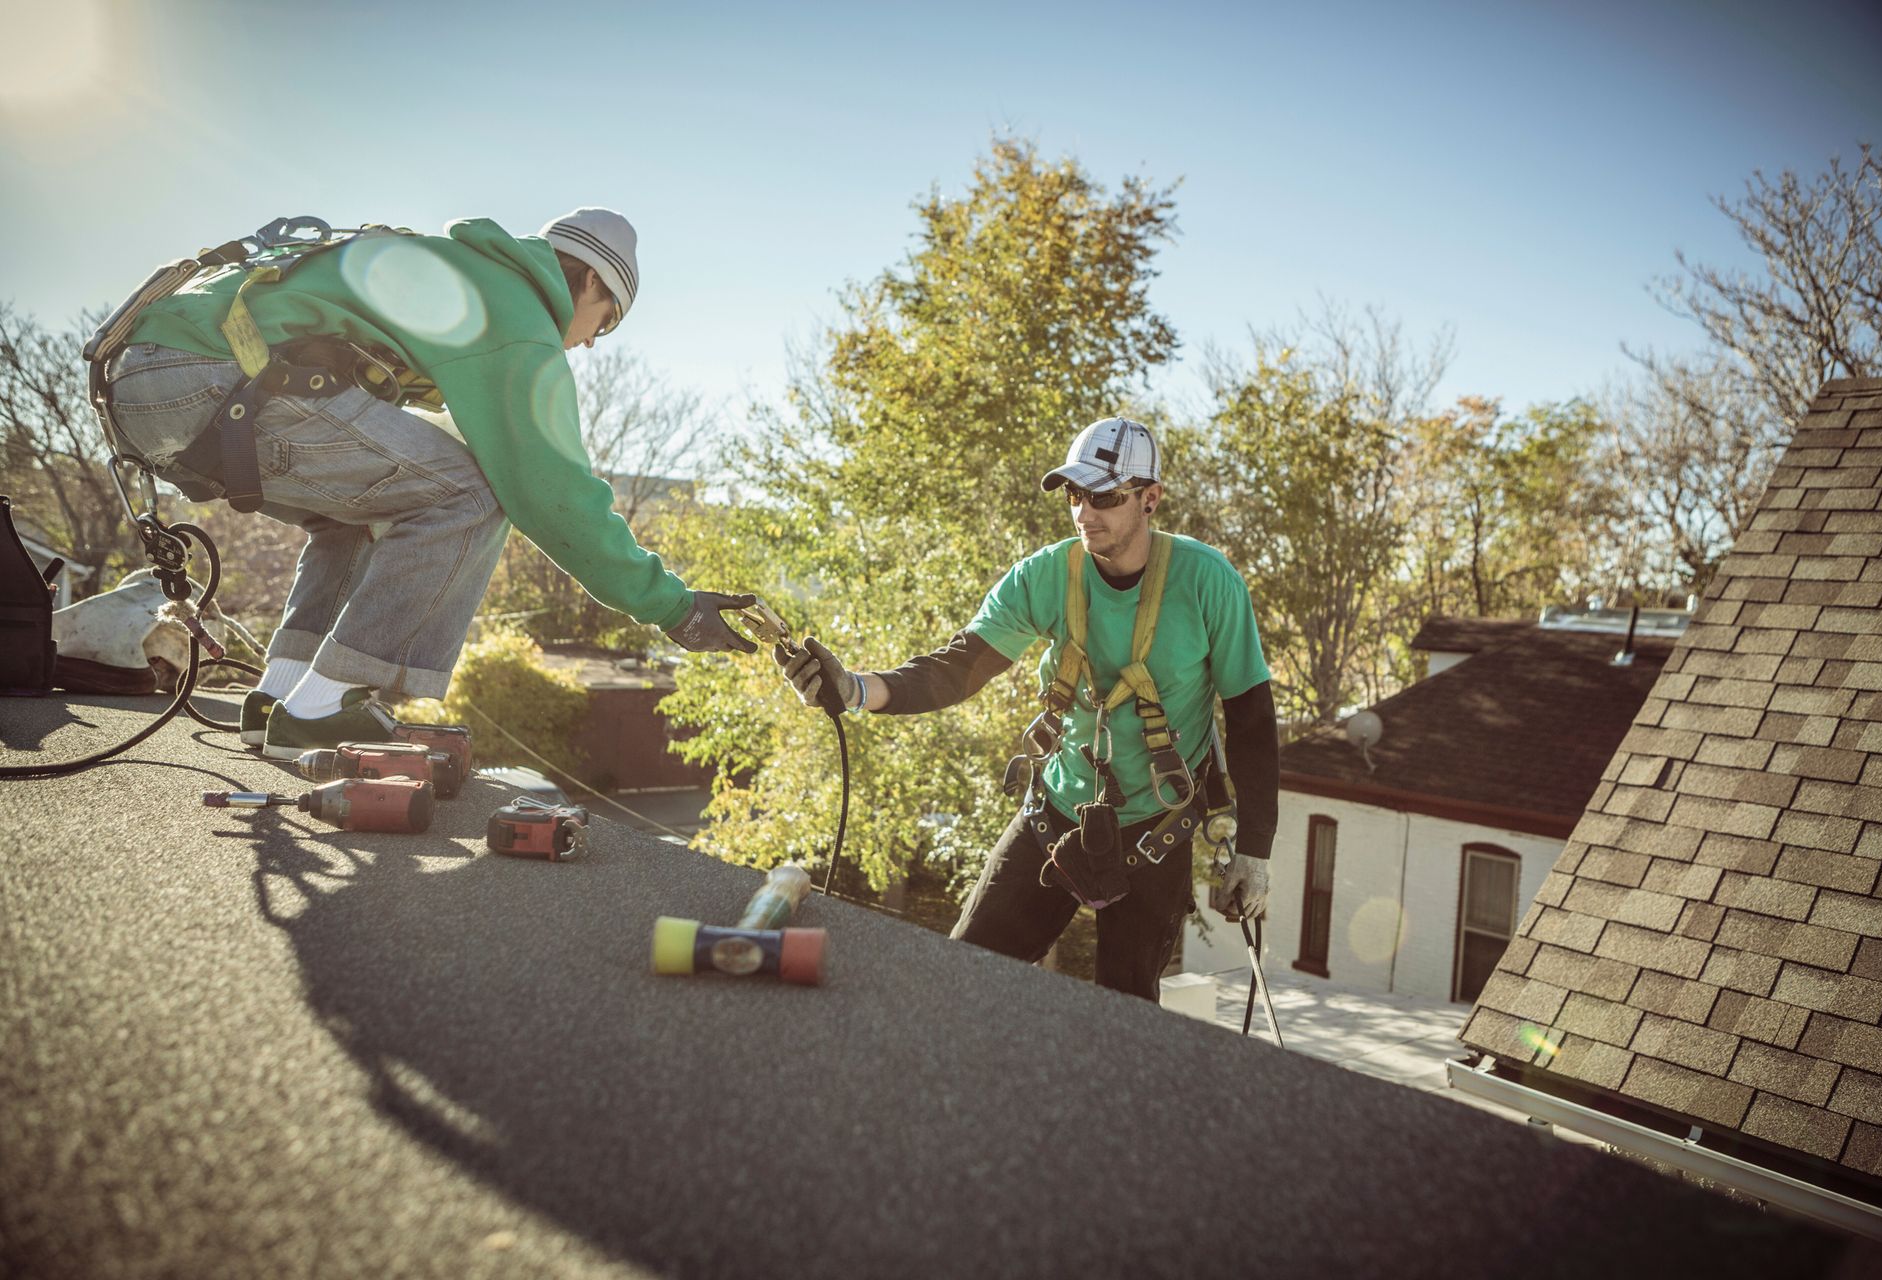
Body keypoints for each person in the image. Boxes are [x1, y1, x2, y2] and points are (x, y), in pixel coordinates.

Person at [96, 208, 759, 759]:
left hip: (147, 383)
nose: (590, 343)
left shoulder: (463, 273)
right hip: (211, 379)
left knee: (371, 501)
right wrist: (673, 606)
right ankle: (331, 705)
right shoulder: (519, 320)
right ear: (587, 282)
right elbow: (550, 493)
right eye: (607, 322)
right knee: (472, 497)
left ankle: (283, 694)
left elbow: (418, 453)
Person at [781, 417, 1279, 999]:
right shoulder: (1045, 576)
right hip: (1056, 816)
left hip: (1155, 831)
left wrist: (1254, 852)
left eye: (1104, 497)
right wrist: (856, 690)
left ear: (1150, 499)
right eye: (1074, 494)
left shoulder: (1206, 582)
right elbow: (958, 666)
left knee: (1122, 1021)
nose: (1084, 512)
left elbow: (1251, 720)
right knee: (962, 983)